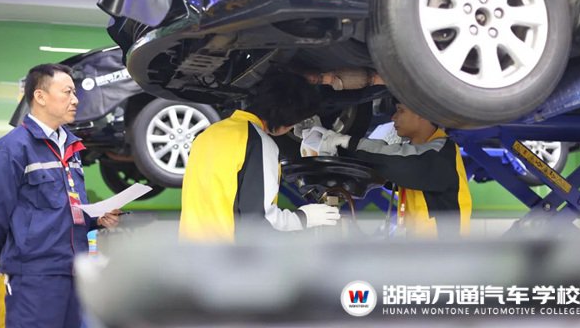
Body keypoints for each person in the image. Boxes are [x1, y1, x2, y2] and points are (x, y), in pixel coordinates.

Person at [0, 63, 121, 328]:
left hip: (75, 272)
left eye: (75, 92)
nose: (75, 100)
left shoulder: (72, 148)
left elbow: (64, 207)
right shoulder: (12, 148)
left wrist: (95, 218)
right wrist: (23, 254)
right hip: (35, 279)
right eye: (67, 92)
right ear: (40, 96)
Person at [179, 73, 341, 242]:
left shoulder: (209, 133)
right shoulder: (256, 141)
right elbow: (261, 220)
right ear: (285, 122)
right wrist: (305, 218)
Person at [317, 101, 472, 238]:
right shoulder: (421, 156)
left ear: (422, 113)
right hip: (424, 254)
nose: (393, 117)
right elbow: (387, 167)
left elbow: (395, 162)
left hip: (441, 255)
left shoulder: (440, 155)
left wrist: (348, 142)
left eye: (400, 110)